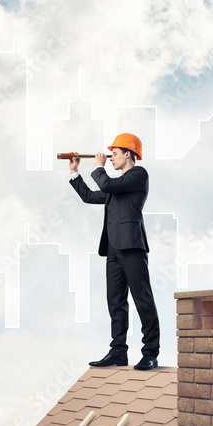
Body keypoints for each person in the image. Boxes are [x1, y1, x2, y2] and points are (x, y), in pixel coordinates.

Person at [68, 133, 160, 370]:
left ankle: (150, 352)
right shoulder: (117, 186)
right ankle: (118, 351)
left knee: (143, 300)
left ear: (128, 153)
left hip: (132, 246)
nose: (110, 159)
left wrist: (98, 167)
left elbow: (106, 183)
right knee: (116, 301)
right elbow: (90, 196)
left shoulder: (138, 175)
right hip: (113, 249)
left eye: (115, 154)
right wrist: (75, 172)